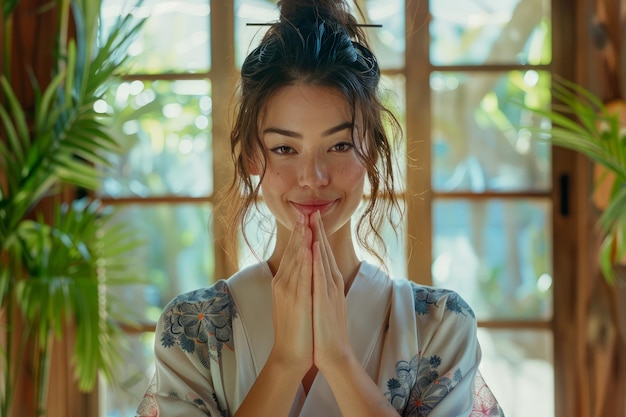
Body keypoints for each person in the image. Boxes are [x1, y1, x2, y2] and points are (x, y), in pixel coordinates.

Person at [136, 0, 505, 416]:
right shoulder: (190, 330)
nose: (312, 177)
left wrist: (339, 360)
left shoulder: (441, 326)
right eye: (284, 148)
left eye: (340, 145)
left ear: (372, 151)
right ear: (252, 158)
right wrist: (285, 362)